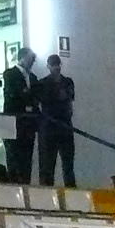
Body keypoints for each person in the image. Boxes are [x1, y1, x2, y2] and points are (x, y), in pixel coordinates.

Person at [34, 53, 77, 189]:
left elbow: (69, 99)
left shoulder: (67, 82)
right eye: (53, 65)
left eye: (57, 64)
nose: (56, 67)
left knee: (68, 164)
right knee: (47, 165)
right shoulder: (43, 83)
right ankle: (47, 192)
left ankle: (70, 190)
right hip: (49, 126)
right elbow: (45, 99)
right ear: (48, 66)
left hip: (63, 125)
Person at [2, 47, 38, 183]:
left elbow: (35, 97)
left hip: (28, 124)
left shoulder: (33, 77)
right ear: (22, 58)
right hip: (13, 121)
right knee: (13, 158)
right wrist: (28, 95)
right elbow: (16, 94)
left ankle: (26, 185)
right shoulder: (10, 74)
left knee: (27, 159)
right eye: (30, 58)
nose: (32, 61)